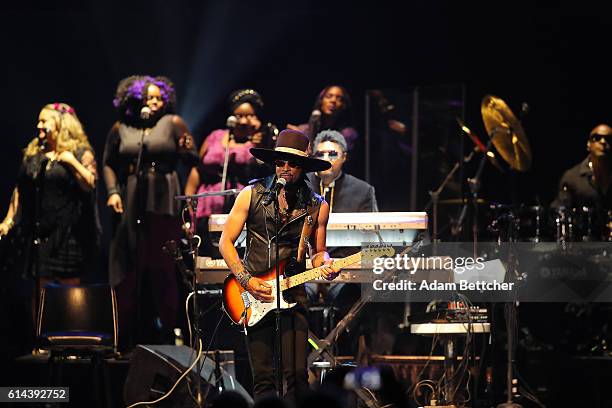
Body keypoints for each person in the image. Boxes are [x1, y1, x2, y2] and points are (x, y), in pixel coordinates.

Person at [218, 129, 340, 403]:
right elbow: (226, 242)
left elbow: (318, 252)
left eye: (293, 163)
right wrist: (245, 279)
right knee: (262, 377)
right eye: (280, 162)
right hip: (253, 293)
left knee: (296, 376)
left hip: (293, 294)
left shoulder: (317, 206)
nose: (285, 169)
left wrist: (328, 264)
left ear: (303, 167)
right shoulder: (251, 194)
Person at [103, 75, 199, 350]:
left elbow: (193, 162)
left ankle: (170, 334)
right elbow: (108, 162)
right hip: (132, 195)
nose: (154, 103)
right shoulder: (121, 127)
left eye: (159, 98)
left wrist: (187, 150)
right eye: (148, 98)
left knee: (162, 266)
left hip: (163, 197)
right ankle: (128, 337)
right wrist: (112, 192)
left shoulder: (173, 123)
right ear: (134, 101)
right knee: (129, 265)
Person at [0, 103, 99, 356]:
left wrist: (70, 162)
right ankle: (42, 342)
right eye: (39, 122)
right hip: (40, 232)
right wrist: (9, 220)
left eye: (45, 121)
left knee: (69, 290)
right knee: (40, 290)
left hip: (68, 233)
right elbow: (19, 191)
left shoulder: (79, 152)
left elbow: (91, 184)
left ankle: (70, 343)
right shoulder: (33, 154)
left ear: (60, 125)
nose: (39, 126)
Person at [184, 89, 277, 256]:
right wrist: (189, 202)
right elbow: (198, 169)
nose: (243, 120)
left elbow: (267, 170)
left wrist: (261, 142)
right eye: (239, 115)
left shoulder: (260, 140)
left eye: (249, 115)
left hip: (241, 207)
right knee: (205, 256)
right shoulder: (216, 136)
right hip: (207, 206)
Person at [552, 123, 612, 241]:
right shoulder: (572, 177)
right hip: (582, 247)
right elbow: (560, 213)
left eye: (609, 139)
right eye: (597, 138)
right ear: (588, 144)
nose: (603, 141)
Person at [288, 85, 358, 151]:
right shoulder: (304, 129)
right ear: (321, 101)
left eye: (339, 98)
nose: (333, 100)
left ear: (344, 105)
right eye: (329, 96)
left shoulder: (348, 134)